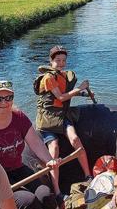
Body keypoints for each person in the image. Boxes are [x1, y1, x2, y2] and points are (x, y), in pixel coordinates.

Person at [0, 80, 60, 209]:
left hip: (18, 168)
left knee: (45, 195)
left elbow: (36, 143)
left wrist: (49, 161)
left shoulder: (19, 118)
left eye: (8, 98)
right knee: (28, 200)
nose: (4, 102)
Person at [35, 45, 93, 202]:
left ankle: (88, 176)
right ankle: (57, 191)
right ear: (51, 61)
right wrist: (80, 88)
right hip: (48, 118)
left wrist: (82, 93)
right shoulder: (48, 78)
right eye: (57, 60)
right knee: (53, 148)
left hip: (62, 115)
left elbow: (65, 94)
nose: (61, 63)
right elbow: (60, 97)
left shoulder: (63, 75)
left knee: (75, 139)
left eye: (63, 60)